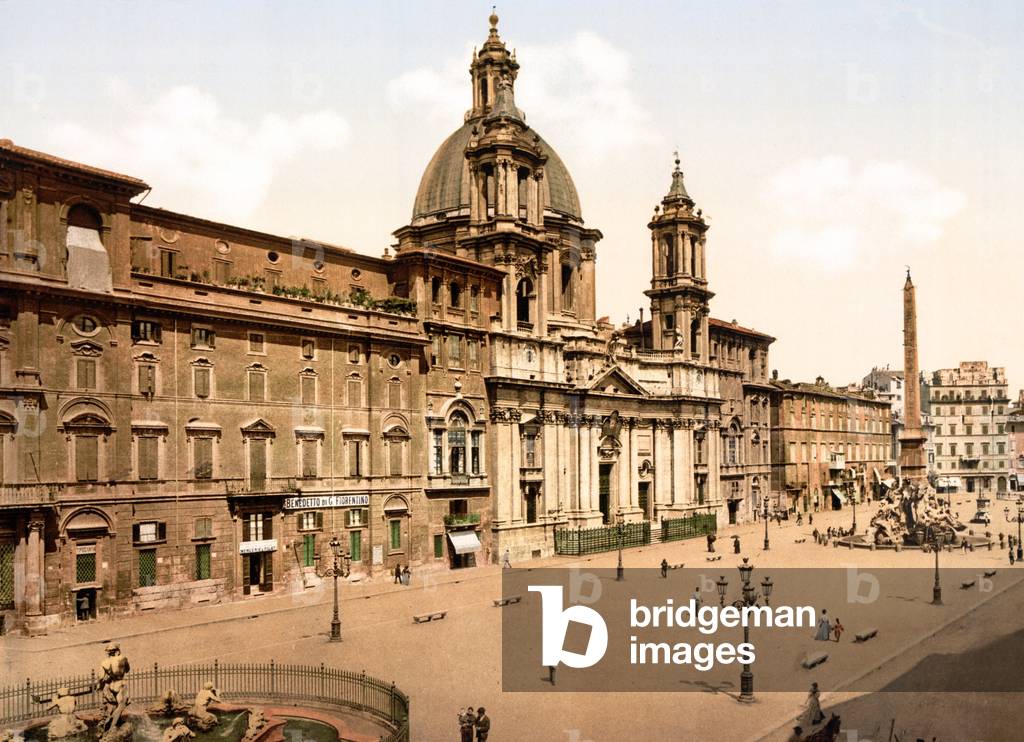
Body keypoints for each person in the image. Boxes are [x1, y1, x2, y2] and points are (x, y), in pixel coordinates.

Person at [97, 642, 131, 734]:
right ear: (117, 651)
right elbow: (127, 669)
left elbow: (101, 677)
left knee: (114, 705)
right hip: (121, 684)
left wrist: (100, 685)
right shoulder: (123, 658)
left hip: (111, 685)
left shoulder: (104, 662)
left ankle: (113, 722)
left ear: (108, 652)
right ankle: (112, 726)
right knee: (121, 706)